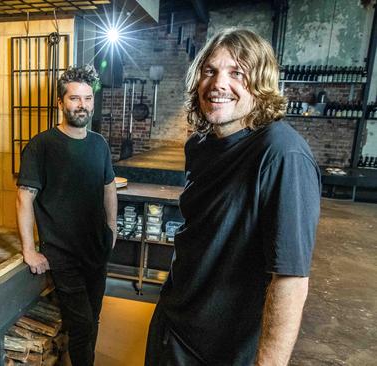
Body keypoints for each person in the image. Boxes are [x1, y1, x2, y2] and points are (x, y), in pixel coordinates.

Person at [145, 28, 321, 365]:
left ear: (261, 84)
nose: (218, 84)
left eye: (237, 72)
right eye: (210, 71)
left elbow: (290, 279)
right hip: (173, 328)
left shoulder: (282, 154)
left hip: (221, 351)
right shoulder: (199, 146)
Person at [16, 64, 117, 366]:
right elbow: (24, 197)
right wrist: (29, 249)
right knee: (82, 323)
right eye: (74, 98)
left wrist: (111, 228)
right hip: (62, 253)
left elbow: (109, 187)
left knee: (93, 319)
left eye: (87, 98)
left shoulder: (99, 144)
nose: (82, 105)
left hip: (96, 249)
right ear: (60, 103)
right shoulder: (42, 145)